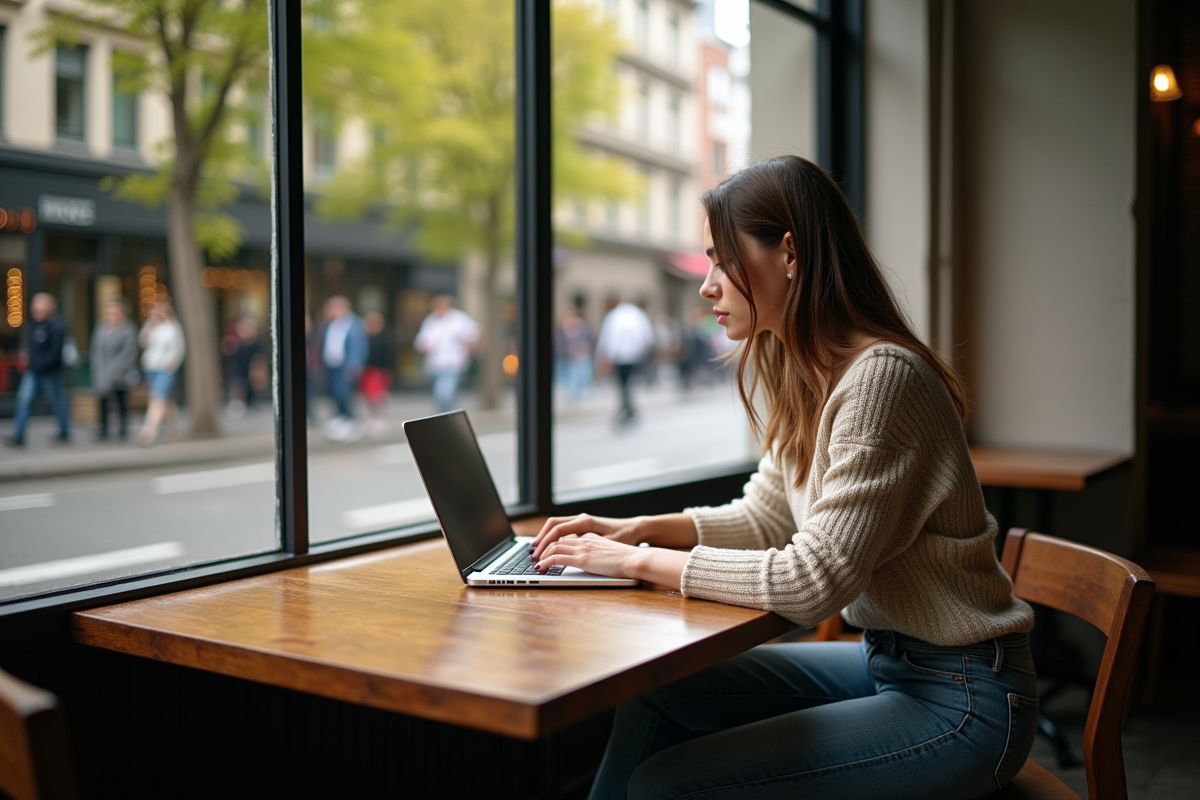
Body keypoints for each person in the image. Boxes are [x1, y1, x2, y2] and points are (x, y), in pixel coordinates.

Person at [531, 156, 1037, 799]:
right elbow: (767, 518)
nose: (706, 285)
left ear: (788, 254)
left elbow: (812, 581)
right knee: (654, 697)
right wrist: (633, 530)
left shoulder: (882, 379)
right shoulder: (806, 374)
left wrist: (638, 562)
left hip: (965, 703)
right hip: (890, 664)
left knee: (665, 786)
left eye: (722, 260)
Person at [4, 293, 71, 446]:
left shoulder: (57, 327)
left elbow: (55, 352)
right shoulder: (33, 325)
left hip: (51, 373)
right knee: (24, 401)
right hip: (33, 372)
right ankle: (19, 435)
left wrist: (40, 365)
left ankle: (64, 431)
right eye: (35, 305)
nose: (35, 308)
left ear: (49, 307)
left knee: (56, 402)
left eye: (39, 305)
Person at [594, 295, 653, 427]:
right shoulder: (638, 315)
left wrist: (602, 354)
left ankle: (626, 408)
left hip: (620, 356)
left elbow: (606, 337)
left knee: (623, 384)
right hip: (631, 355)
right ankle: (628, 409)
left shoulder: (614, 316)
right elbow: (647, 336)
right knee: (627, 384)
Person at [414, 295, 479, 414]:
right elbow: (421, 341)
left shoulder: (458, 319)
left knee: (444, 393)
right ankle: (449, 416)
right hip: (435, 365)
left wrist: (467, 346)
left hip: (452, 364)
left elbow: (473, 333)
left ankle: (450, 416)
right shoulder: (430, 321)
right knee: (441, 397)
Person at [137, 299, 186, 447]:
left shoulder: (173, 328)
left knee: (157, 398)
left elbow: (179, 348)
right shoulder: (152, 327)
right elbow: (142, 342)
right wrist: (150, 324)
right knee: (167, 400)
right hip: (151, 367)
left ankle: (149, 431)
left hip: (165, 369)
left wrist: (172, 363)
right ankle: (174, 429)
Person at [89, 297, 139, 441]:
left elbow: (129, 352)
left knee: (121, 401)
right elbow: (96, 350)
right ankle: (103, 429)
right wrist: (99, 369)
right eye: (108, 312)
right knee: (102, 401)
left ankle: (123, 429)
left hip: (120, 373)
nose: (110, 315)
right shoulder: (101, 329)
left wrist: (116, 369)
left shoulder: (128, 329)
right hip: (103, 371)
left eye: (113, 312)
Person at [320, 295, 368, 440]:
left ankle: (350, 421)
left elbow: (359, 346)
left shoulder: (354, 323)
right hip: (331, 364)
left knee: (344, 393)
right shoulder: (330, 323)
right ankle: (340, 420)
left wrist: (355, 364)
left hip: (346, 365)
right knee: (334, 393)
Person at [360, 311, 393, 436]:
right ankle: (372, 418)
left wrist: (387, 371)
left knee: (379, 396)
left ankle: (380, 419)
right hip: (367, 371)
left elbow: (387, 357)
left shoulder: (383, 339)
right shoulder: (363, 338)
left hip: (379, 371)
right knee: (368, 396)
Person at [554, 304, 593, 408]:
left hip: (581, 357)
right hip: (566, 358)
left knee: (580, 377)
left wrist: (582, 348)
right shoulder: (561, 328)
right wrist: (568, 351)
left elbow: (589, 340)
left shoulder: (582, 327)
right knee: (567, 380)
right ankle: (570, 398)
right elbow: (559, 343)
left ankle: (577, 398)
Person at [225, 316, 264, 419]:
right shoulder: (237, 341)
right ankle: (236, 404)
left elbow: (259, 356)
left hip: (250, 368)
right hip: (238, 367)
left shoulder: (255, 342)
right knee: (237, 385)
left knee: (249, 387)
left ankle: (248, 404)